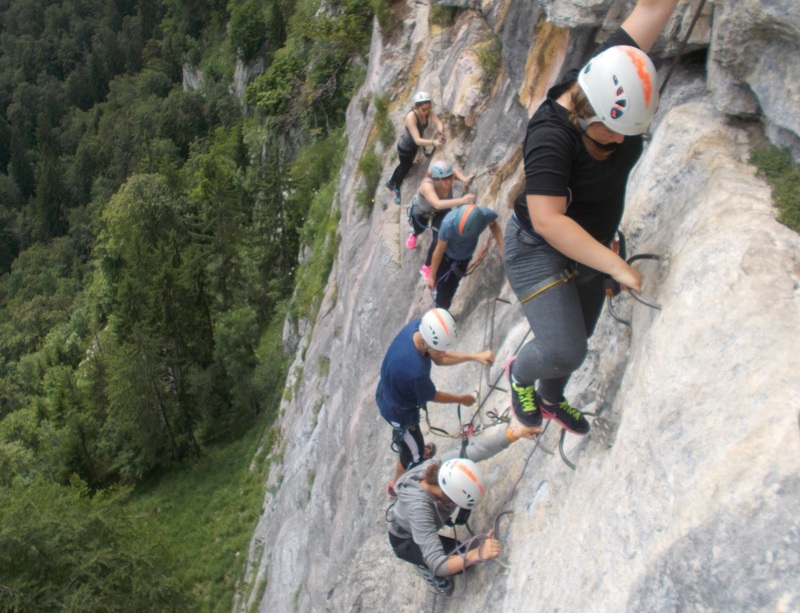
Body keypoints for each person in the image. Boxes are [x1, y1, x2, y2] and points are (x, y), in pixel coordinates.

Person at [503, 0, 678, 435]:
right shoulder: (550, 136)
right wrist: (614, 264)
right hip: (536, 249)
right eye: (611, 129)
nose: (620, 139)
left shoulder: (612, 71)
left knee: (582, 328)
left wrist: (603, 256)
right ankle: (521, 377)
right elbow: (548, 221)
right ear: (585, 111)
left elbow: (652, 9)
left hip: (590, 243)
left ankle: (550, 397)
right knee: (566, 348)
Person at [387, 418, 542, 594]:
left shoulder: (439, 466)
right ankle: (421, 565)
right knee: (462, 562)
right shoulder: (420, 510)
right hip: (406, 540)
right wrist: (477, 554)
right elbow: (439, 564)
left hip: (417, 521)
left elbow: (475, 450)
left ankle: (427, 551)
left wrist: (513, 434)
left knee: (460, 555)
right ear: (448, 497)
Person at [376, 308, 494, 495]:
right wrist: (462, 399)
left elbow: (440, 357)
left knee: (411, 446)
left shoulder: (417, 327)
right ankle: (396, 487)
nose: (443, 350)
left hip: (387, 390)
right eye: (440, 347)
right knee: (411, 456)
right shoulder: (415, 370)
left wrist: (476, 356)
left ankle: (411, 451)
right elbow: (433, 395)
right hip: (398, 411)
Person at [407, 160, 476, 280]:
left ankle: (427, 266)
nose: (449, 181)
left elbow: (453, 171)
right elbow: (437, 204)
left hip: (441, 212)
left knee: (439, 238)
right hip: (422, 214)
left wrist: (465, 179)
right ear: (436, 180)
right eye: (445, 179)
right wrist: (462, 200)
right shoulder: (427, 185)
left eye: (450, 178)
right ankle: (414, 234)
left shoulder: (447, 176)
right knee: (418, 230)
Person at [427, 204, 504, 310]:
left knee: (453, 287)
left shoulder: (485, 215)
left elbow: (494, 225)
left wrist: (501, 245)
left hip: (464, 258)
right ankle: (439, 310)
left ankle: (443, 308)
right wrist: (432, 276)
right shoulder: (448, 224)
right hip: (447, 258)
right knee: (442, 290)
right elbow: (439, 251)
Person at [385, 91, 446, 204]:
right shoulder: (411, 117)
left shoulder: (426, 111)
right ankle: (395, 187)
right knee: (405, 167)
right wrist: (433, 142)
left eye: (428, 108)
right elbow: (417, 140)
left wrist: (441, 131)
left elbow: (438, 122)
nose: (426, 112)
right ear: (417, 107)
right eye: (424, 109)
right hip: (405, 148)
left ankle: (391, 181)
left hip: (413, 147)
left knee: (405, 164)